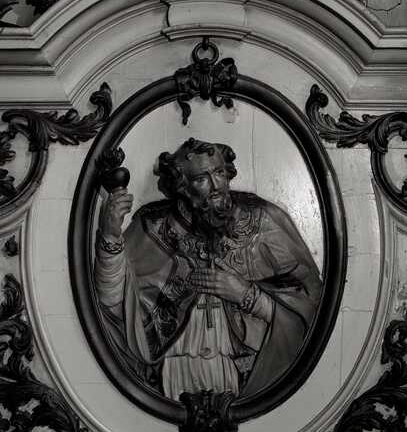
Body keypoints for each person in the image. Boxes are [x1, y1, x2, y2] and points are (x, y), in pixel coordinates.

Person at [94, 138, 322, 401]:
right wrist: (111, 234)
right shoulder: (153, 228)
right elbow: (113, 304)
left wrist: (248, 296)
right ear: (182, 186)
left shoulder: (262, 221)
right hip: (170, 374)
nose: (216, 186)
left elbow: (310, 303)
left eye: (220, 173)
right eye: (202, 179)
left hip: (239, 371)